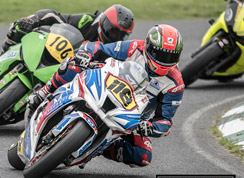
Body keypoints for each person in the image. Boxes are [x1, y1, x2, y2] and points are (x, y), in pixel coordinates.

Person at [27, 24, 184, 167]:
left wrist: (149, 127)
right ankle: (44, 93)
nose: (165, 61)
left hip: (131, 117)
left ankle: (103, 147)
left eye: (171, 57)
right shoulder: (135, 47)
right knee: (73, 64)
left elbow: (165, 121)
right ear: (149, 46)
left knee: (143, 156)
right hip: (106, 87)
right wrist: (85, 54)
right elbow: (100, 48)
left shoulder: (175, 84)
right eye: (161, 54)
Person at [2, 4, 134, 52]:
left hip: (69, 76)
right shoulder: (88, 21)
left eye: (120, 35)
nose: (115, 37)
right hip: (56, 52)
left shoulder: (115, 52)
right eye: (112, 31)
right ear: (103, 22)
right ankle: (3, 55)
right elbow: (55, 16)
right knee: (20, 28)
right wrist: (33, 19)